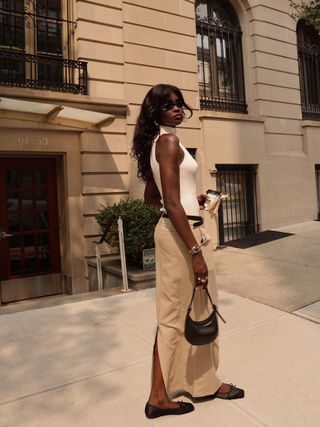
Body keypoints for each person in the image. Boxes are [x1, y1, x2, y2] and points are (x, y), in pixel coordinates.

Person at [132, 84, 244, 419]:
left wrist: (190, 201)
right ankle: (159, 397)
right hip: (183, 237)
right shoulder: (167, 141)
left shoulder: (159, 143)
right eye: (169, 105)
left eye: (180, 104)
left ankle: (203, 382)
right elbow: (166, 201)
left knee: (193, 310)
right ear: (156, 111)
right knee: (178, 315)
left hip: (180, 228)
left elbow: (153, 198)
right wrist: (194, 251)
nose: (177, 109)